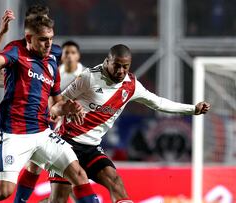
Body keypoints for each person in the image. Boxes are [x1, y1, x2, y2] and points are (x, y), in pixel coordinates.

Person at [47, 44, 211, 203]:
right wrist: (68, 109)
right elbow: (56, 104)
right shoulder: (88, 78)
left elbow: (159, 103)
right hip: (65, 143)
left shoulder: (132, 86)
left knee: (115, 181)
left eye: (125, 67)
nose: (121, 71)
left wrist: (193, 109)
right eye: (116, 66)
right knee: (59, 200)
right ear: (107, 61)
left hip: (91, 148)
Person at [0, 15, 99, 203]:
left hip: (42, 132)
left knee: (78, 173)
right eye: (43, 39)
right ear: (29, 39)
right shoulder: (16, 52)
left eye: (51, 39)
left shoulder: (52, 63)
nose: (48, 44)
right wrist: (1, 34)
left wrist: (68, 108)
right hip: (15, 133)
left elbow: (56, 104)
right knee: (3, 191)